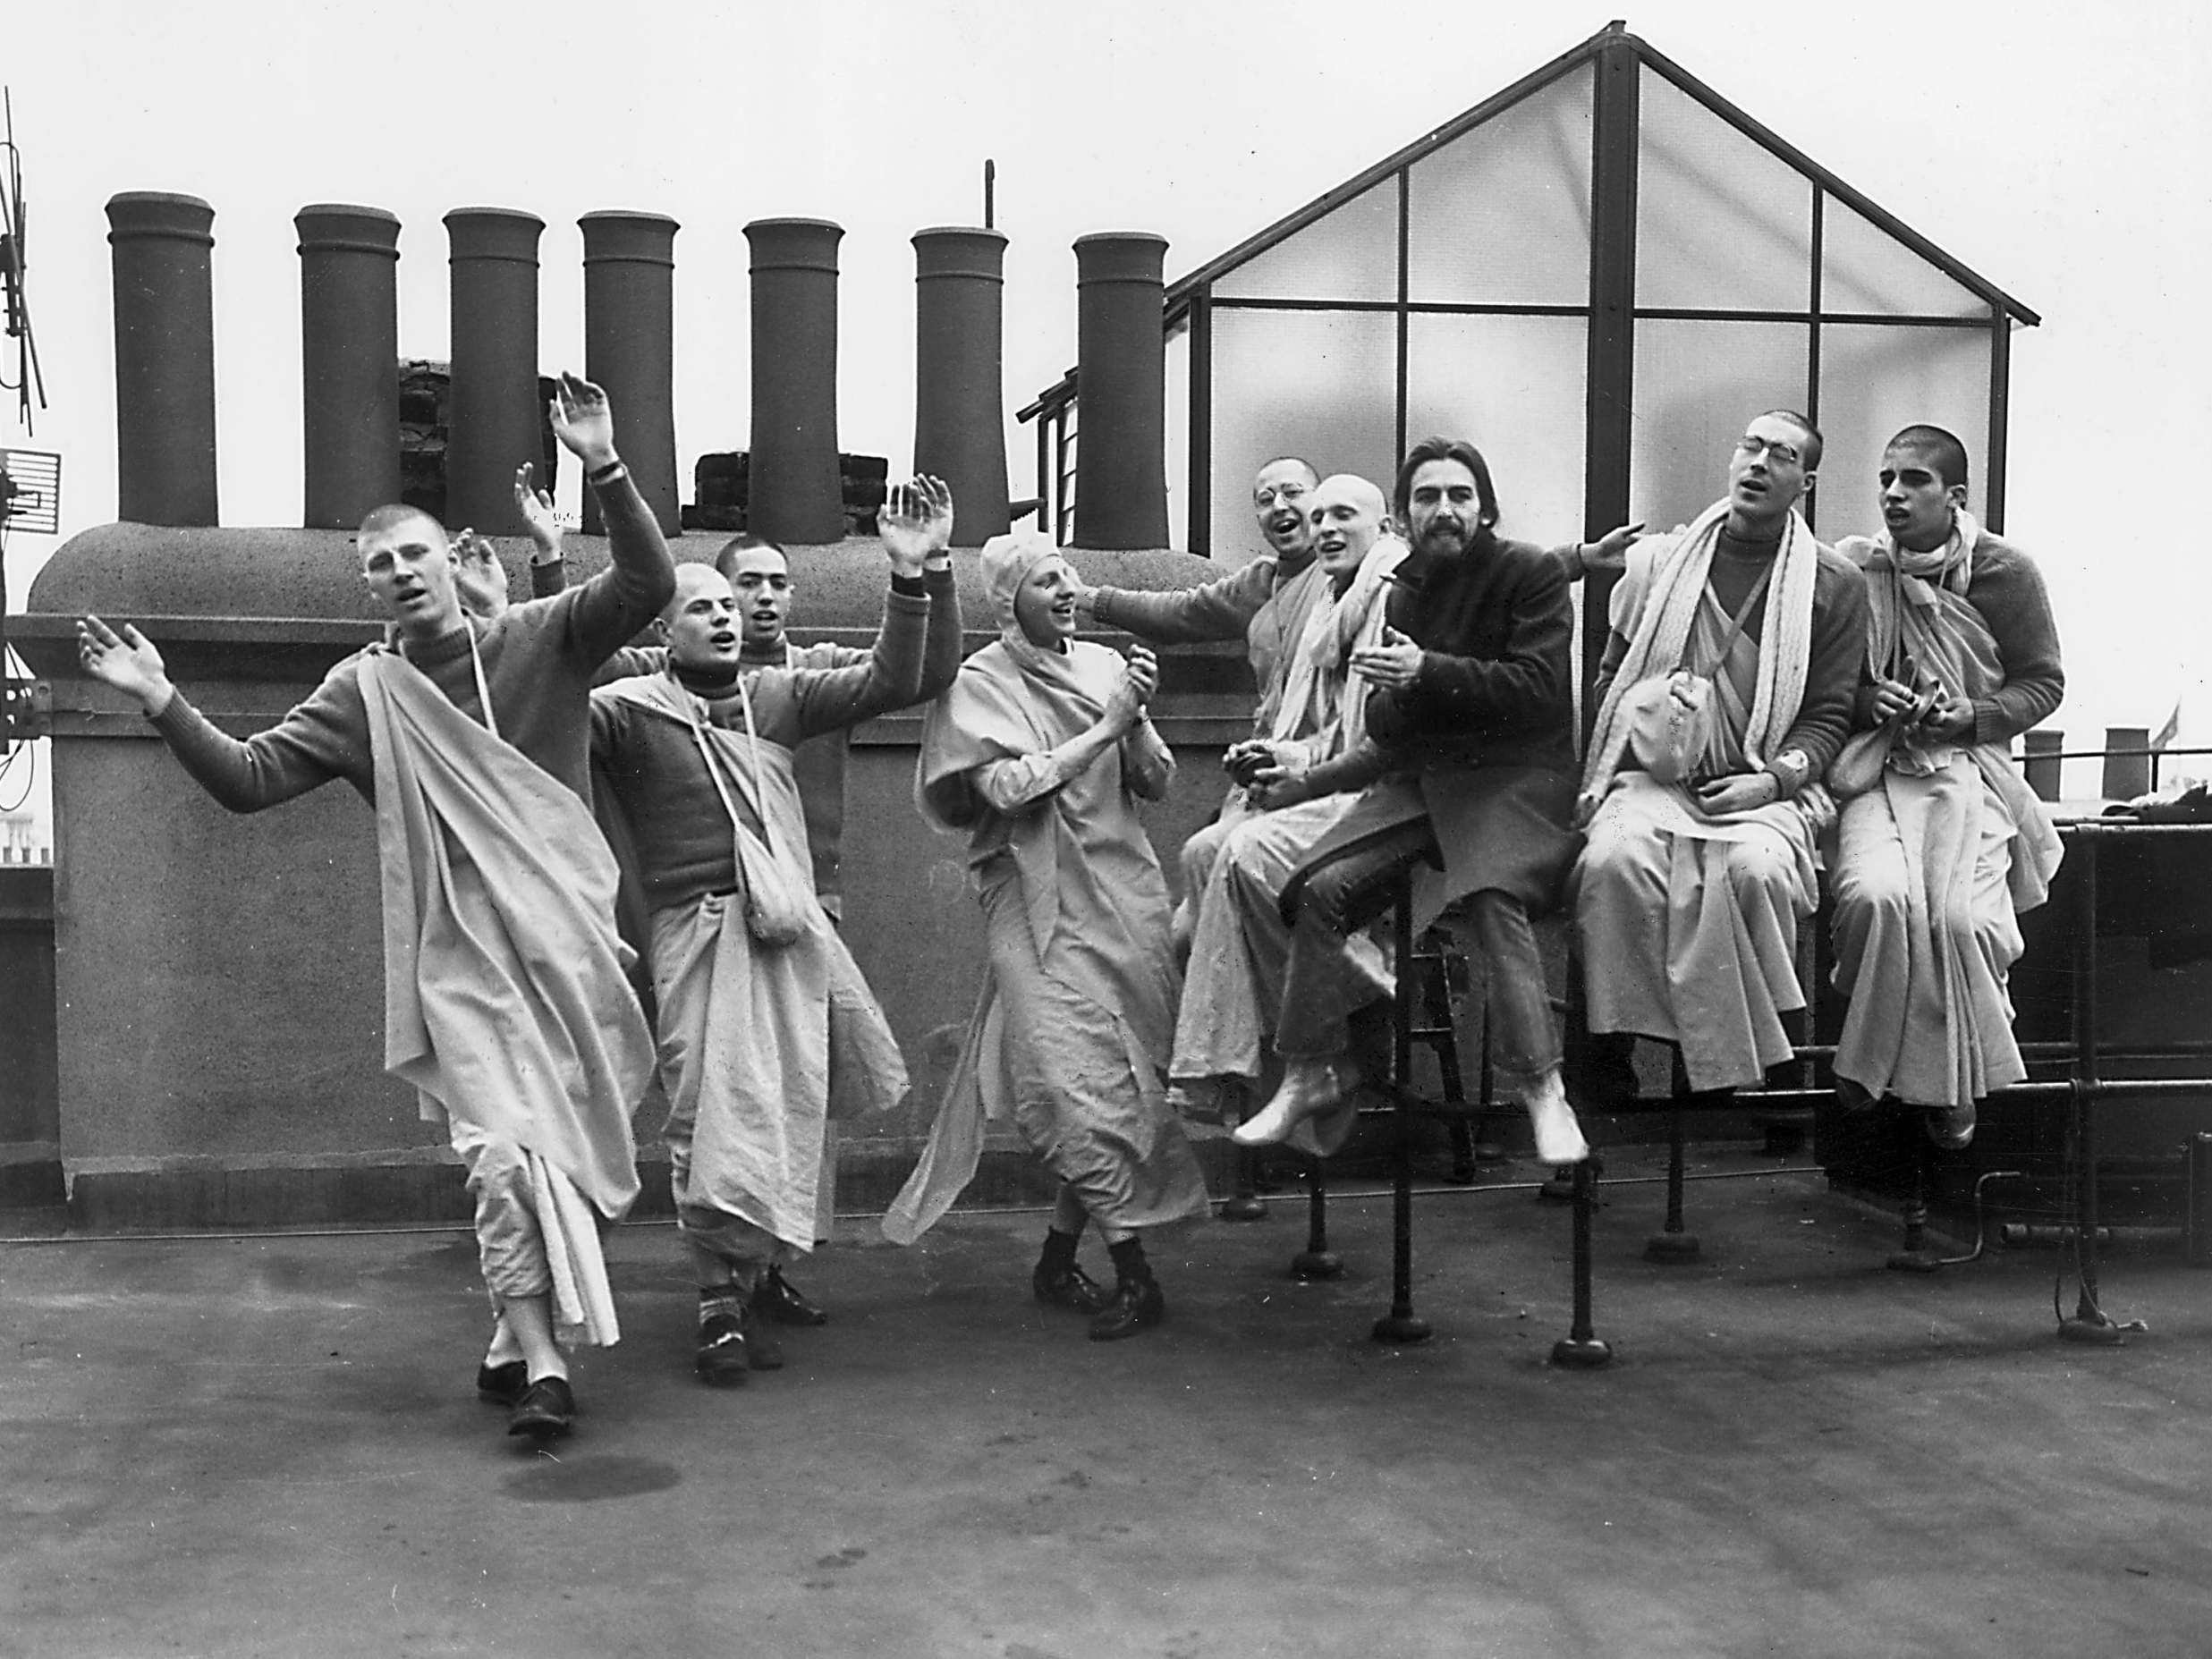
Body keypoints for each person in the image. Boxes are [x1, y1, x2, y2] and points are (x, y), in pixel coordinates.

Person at [76, 375, 675, 1441]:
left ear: (452, 559)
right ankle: (544, 1366)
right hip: (465, 968)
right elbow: (252, 778)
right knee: (501, 1157)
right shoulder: (365, 692)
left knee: (570, 1155)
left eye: (415, 553)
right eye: (380, 565)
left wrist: (606, 464)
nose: (401, 572)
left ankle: (506, 1337)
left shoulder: (540, 638)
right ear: (367, 589)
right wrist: (165, 699)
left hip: (577, 952)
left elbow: (646, 582)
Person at [490, 480, 966, 1329]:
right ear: (661, 631)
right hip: (688, 936)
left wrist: (910, 570)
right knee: (702, 1115)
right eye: (703, 605)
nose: (727, 617)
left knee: (787, 1106)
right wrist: (535, 578)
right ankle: (717, 1293)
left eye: (731, 607)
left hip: (790, 930)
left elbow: (906, 676)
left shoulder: (781, 697)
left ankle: (752, 1278)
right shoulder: (627, 707)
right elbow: (554, 686)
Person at [1232, 437, 1591, 1168]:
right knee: (1317, 889)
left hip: (1514, 778)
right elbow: (1391, 731)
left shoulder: (1528, 572)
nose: (1445, 511)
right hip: (1426, 779)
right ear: (1406, 515)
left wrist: (1425, 671)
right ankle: (1310, 1070)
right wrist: (1395, 696)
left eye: (1459, 496)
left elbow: (1539, 691)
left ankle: (1542, 1089)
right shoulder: (1403, 590)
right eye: (1427, 498)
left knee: (1493, 898)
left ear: (1484, 506)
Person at [887, 529, 1209, 1342]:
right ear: (1006, 601)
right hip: (1028, 901)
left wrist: (1137, 720)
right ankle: (1137, 1272)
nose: (1066, 588)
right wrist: (1105, 727)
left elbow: (1158, 781)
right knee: (1068, 1083)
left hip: (1122, 892)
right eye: (1043, 580)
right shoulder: (976, 682)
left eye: (1069, 573)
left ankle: (1058, 1257)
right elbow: (1003, 786)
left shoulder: (1105, 667)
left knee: (1122, 1080)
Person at [1571, 410, 1869, 1100]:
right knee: (1610, 862)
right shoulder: (1659, 564)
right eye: (1750, 446)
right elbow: (1608, 678)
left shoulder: (1833, 583)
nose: (1759, 462)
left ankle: (1757, 1074)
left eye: (1782, 455)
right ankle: (1612, 1056)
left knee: (1756, 872)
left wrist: (1769, 782)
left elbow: (1828, 713)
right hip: (1653, 779)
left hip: (1763, 786)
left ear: (1806, 482)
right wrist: (1650, 717)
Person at [1826, 425, 2064, 1147]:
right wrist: (1872, 702)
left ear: (1954, 495)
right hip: (1878, 773)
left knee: (1966, 923)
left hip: (1971, 774)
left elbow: (2044, 683)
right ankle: (1885, 1065)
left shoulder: (2004, 571)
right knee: (1876, 900)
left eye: (1914, 480)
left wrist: (1974, 715)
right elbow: (1828, 682)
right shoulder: (1854, 568)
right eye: (1886, 478)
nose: (1893, 493)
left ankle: (1947, 1082)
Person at [1166, 473, 1405, 1146]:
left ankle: (1312, 1048)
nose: (1324, 526)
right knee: (1201, 856)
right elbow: (1324, 727)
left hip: (1386, 801)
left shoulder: (1392, 594)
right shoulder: (1329, 598)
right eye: (1320, 515)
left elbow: (1378, 743)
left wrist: (1297, 768)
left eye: (1342, 514)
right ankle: (1267, 1077)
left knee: (1236, 855)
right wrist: (1278, 756)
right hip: (1327, 783)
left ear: (1382, 526)